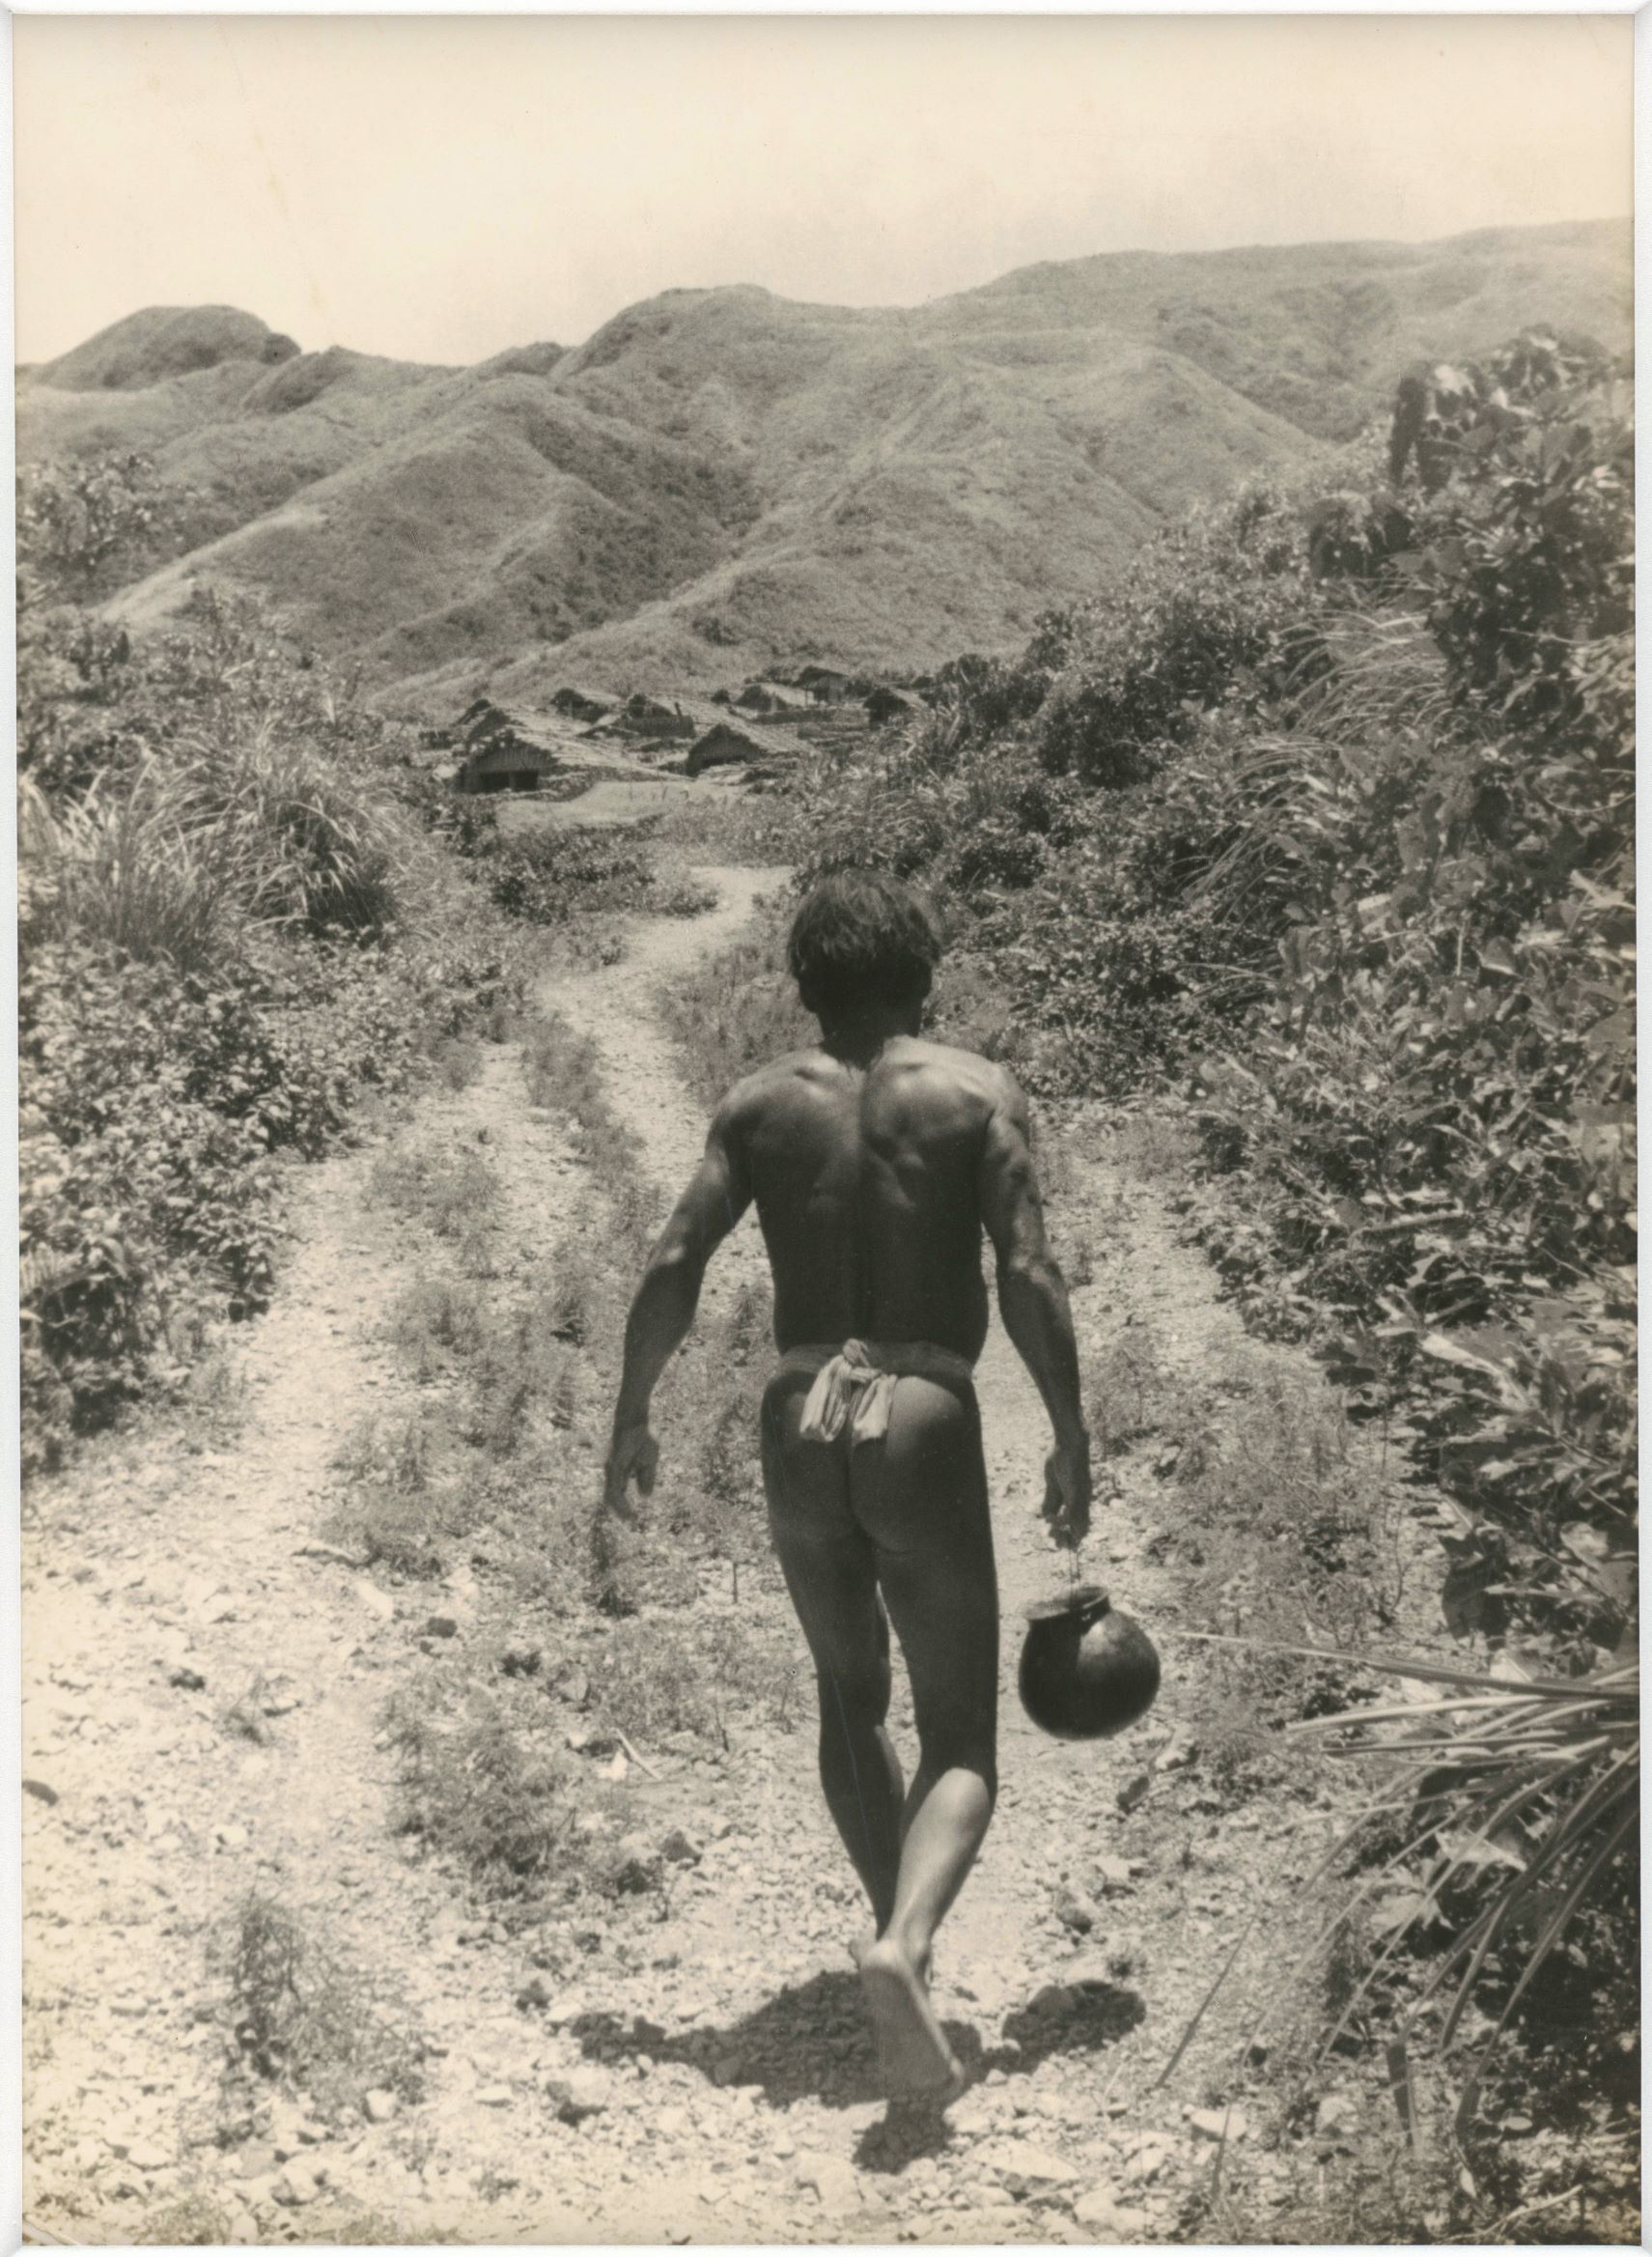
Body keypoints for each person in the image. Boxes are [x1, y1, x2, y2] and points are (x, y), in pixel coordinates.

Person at [602, 869, 1091, 2102]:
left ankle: (894, 1946)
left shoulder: (758, 1103)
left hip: (798, 1413)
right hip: (921, 1412)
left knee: (847, 1698)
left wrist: (630, 1419)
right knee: (962, 1730)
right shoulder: (977, 1093)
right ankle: (905, 1944)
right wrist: (1070, 1431)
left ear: (805, 985)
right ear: (923, 973)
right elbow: (1027, 1271)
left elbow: (672, 1260)